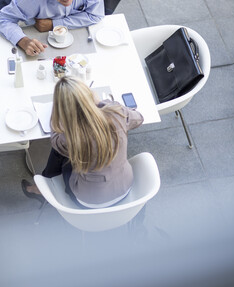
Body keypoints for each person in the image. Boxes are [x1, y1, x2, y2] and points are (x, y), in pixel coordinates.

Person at [22, 77, 144, 209]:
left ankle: (42, 188)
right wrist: (103, 103)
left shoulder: (70, 137)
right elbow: (139, 118)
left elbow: (55, 140)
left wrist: (57, 115)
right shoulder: (117, 113)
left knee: (59, 153)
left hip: (88, 201)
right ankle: (42, 188)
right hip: (124, 188)